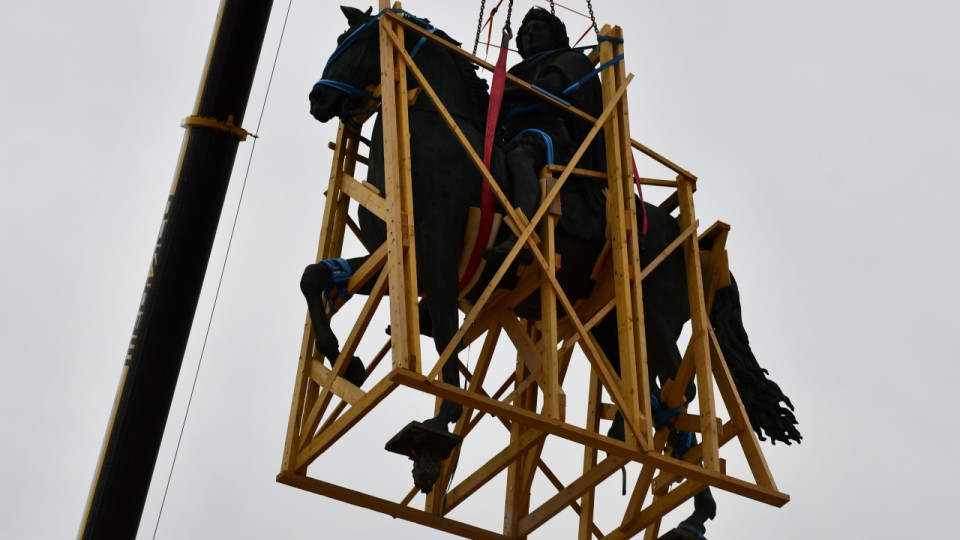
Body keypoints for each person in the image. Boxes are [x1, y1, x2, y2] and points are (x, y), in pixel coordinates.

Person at [483, 6, 607, 263]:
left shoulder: (568, 59)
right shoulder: (516, 73)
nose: (529, 35)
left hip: (551, 136)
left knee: (519, 157)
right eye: (525, 32)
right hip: (513, 135)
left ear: (555, 34)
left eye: (537, 29)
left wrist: (499, 95)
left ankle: (521, 234)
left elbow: (550, 87)